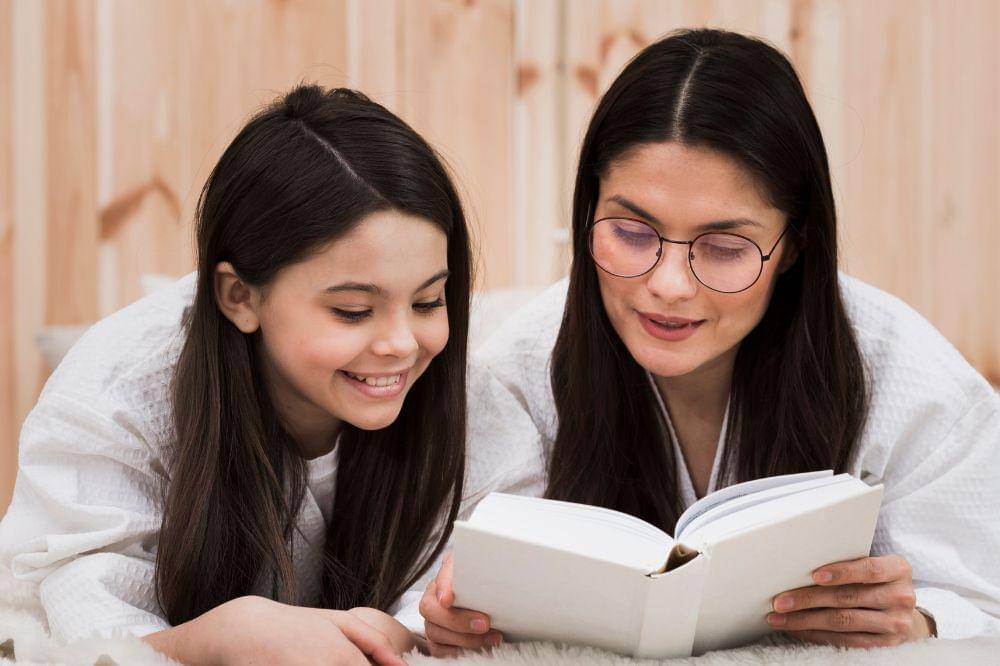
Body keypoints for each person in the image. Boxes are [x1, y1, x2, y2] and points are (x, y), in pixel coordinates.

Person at [416, 28, 1000, 656]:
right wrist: (447, 618)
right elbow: (432, 585)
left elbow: (979, 598)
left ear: (796, 244)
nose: (667, 285)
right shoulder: (519, 371)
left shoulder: (908, 377)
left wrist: (917, 622)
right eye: (632, 232)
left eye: (724, 249)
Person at [0, 84, 472, 664]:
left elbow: (459, 572)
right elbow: (82, 623)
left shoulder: (455, 387)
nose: (401, 344)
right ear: (239, 295)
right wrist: (221, 637)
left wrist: (403, 626)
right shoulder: (117, 391)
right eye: (353, 311)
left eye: (428, 302)